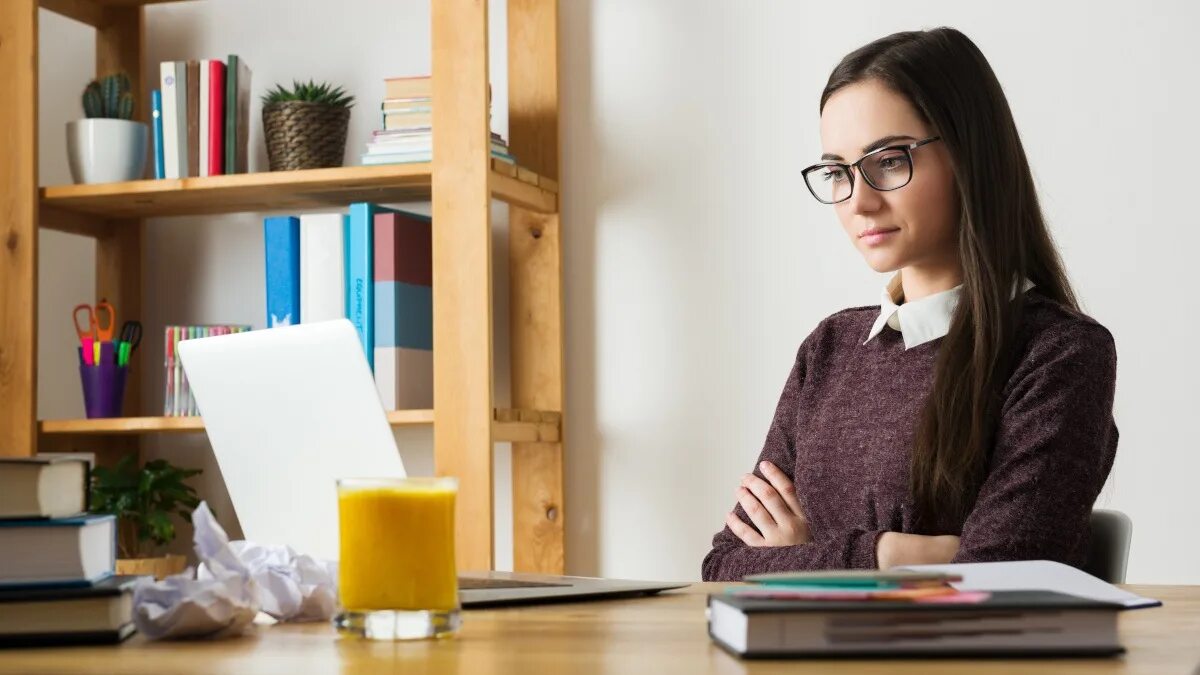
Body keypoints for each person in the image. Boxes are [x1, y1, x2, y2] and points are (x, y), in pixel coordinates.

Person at [701, 27, 1118, 581]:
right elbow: (726, 563)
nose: (859, 201)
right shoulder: (829, 348)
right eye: (837, 171)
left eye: (889, 161)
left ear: (970, 153)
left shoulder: (1058, 352)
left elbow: (1006, 577)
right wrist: (894, 555)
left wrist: (804, 560)